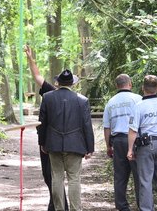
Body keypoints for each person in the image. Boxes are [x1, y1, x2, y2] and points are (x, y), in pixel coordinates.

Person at [38, 69, 95, 211]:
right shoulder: (82, 100)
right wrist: (90, 148)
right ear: (72, 84)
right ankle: (76, 209)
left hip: (54, 144)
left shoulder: (47, 97)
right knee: (74, 178)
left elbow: (42, 123)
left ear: (58, 82)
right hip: (75, 145)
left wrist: (42, 142)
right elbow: (87, 125)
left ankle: (59, 209)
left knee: (56, 177)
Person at [25, 46, 68, 211]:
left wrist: (30, 58)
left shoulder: (54, 94)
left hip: (51, 143)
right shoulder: (59, 94)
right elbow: (37, 76)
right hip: (64, 142)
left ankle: (59, 206)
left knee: (52, 175)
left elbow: (37, 76)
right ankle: (56, 204)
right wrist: (30, 58)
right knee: (54, 176)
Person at [127, 75, 157, 211]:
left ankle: (147, 209)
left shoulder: (138, 106)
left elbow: (132, 131)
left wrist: (130, 150)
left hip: (145, 146)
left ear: (143, 88)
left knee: (145, 180)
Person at [103, 74, 142, 211]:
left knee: (120, 176)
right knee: (139, 175)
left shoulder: (111, 103)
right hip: (136, 140)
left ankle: (122, 207)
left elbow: (107, 127)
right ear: (130, 84)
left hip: (118, 141)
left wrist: (108, 146)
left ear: (116, 85)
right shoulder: (138, 99)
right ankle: (142, 205)